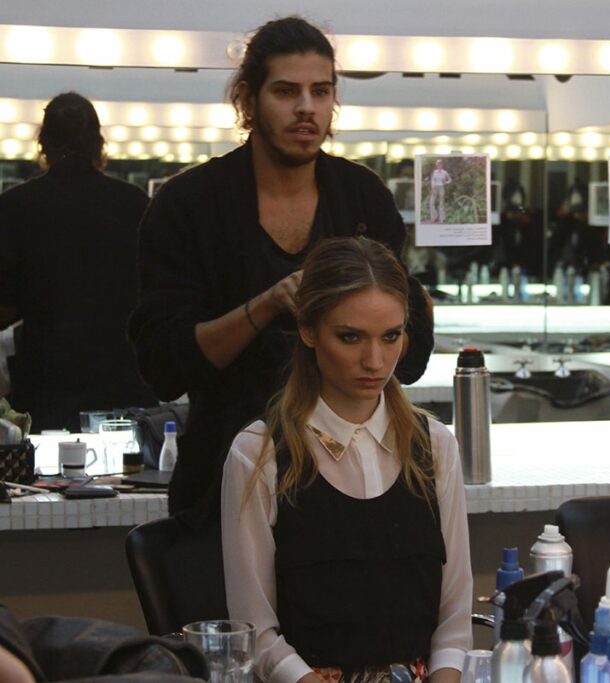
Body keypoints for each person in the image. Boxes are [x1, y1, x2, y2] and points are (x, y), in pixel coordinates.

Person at [129, 16, 433, 516]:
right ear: (247, 100)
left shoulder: (362, 198)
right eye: (286, 91)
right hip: (223, 476)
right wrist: (265, 306)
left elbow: (411, 355)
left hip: (353, 476)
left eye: (321, 91)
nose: (306, 108)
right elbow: (164, 365)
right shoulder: (189, 205)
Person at [221, 237, 471, 683]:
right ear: (308, 330)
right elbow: (256, 634)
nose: (375, 361)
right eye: (350, 337)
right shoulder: (258, 453)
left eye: (391, 337)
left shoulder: (434, 445)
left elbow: (454, 619)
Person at [0, 92, 156, 431]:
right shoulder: (134, 204)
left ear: (43, 145)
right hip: (123, 379)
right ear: (99, 145)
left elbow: (5, 305)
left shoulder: (15, 207)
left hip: (45, 381)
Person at [428, 159, 452, 223]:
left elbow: (450, 180)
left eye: (440, 164)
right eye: (438, 164)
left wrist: (446, 182)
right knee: (431, 203)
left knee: (441, 203)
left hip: (441, 188)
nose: (439, 165)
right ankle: (434, 217)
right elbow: (432, 181)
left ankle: (442, 218)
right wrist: (433, 189)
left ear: (442, 165)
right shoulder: (434, 172)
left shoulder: (445, 172)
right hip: (435, 188)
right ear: (436, 165)